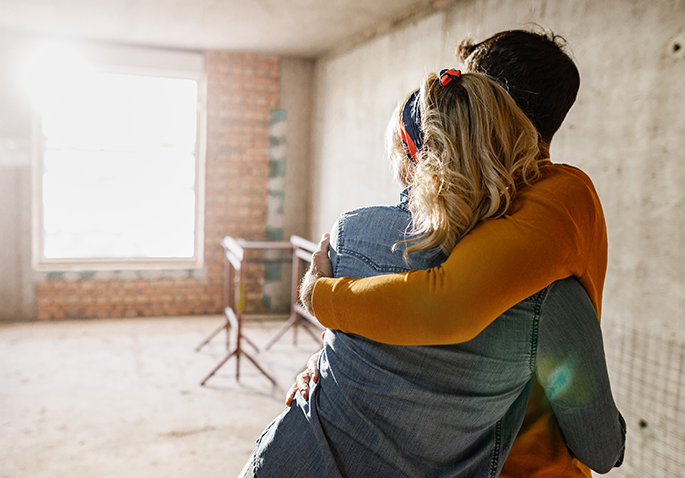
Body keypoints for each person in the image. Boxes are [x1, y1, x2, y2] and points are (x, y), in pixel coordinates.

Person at [241, 70, 624, 477]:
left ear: (410, 157)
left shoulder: (349, 235)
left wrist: (315, 301)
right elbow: (599, 450)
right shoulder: (549, 291)